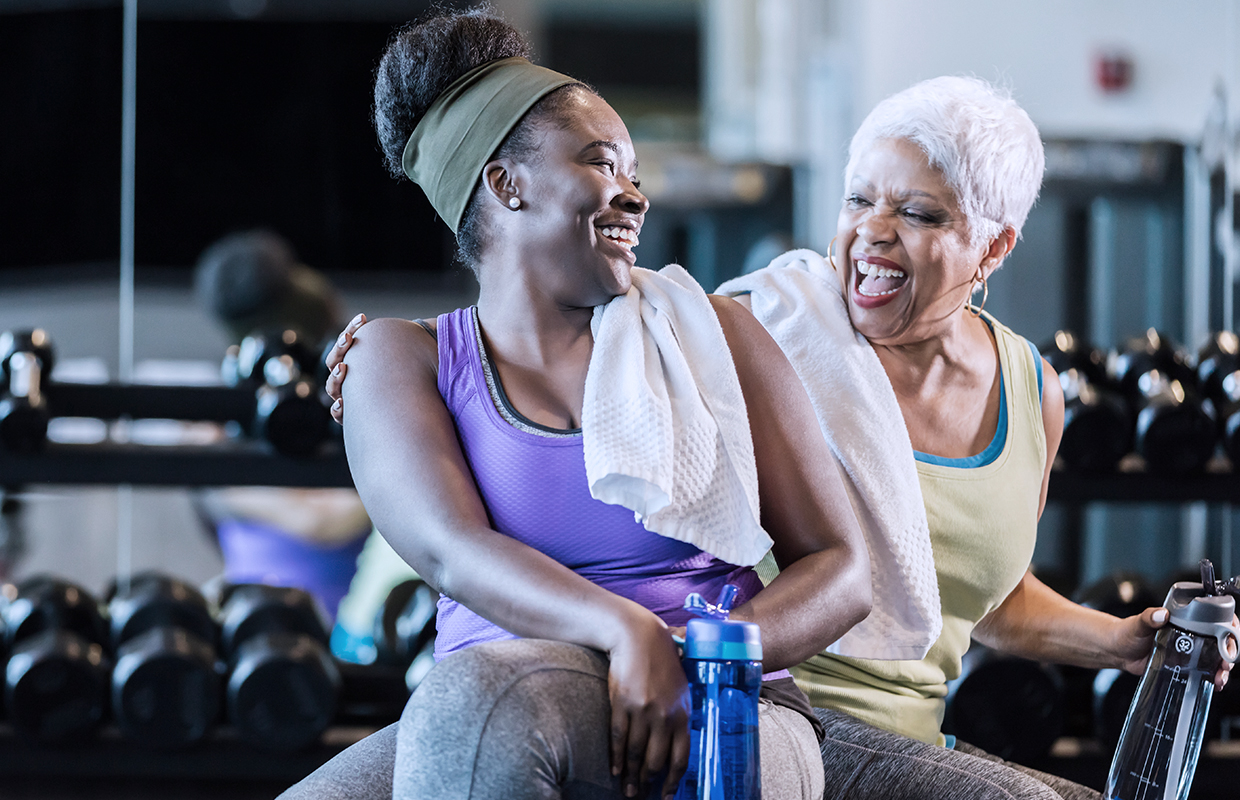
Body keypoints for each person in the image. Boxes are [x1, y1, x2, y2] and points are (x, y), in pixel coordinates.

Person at [329, 76, 1237, 799]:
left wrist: (1121, 640)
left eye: (919, 215)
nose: (873, 234)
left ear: (992, 248)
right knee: (464, 713)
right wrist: (380, 373)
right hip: (597, 682)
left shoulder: (1026, 387)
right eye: (858, 201)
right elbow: (454, 537)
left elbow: (983, 597)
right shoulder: (762, 321)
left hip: (772, 701)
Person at [286, 8, 874, 800]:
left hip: (727, 703)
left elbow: (842, 569)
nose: (635, 195)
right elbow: (452, 552)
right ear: (506, 183)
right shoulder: (400, 359)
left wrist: (690, 650)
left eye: (634, 172)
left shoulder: (713, 334)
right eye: (604, 164)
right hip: (499, 703)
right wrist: (621, 629)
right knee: (475, 711)